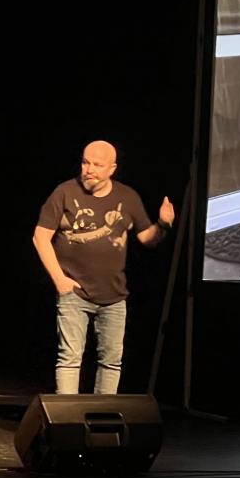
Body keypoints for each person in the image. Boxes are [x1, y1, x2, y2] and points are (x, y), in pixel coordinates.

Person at [32, 140, 175, 394]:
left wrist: (163, 224)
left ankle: (103, 413)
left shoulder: (127, 197)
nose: (89, 170)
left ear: (112, 169)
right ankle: (68, 416)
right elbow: (40, 237)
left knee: (111, 362)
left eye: (98, 165)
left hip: (114, 296)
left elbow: (147, 239)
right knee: (69, 359)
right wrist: (59, 280)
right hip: (74, 292)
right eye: (86, 162)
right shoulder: (65, 192)